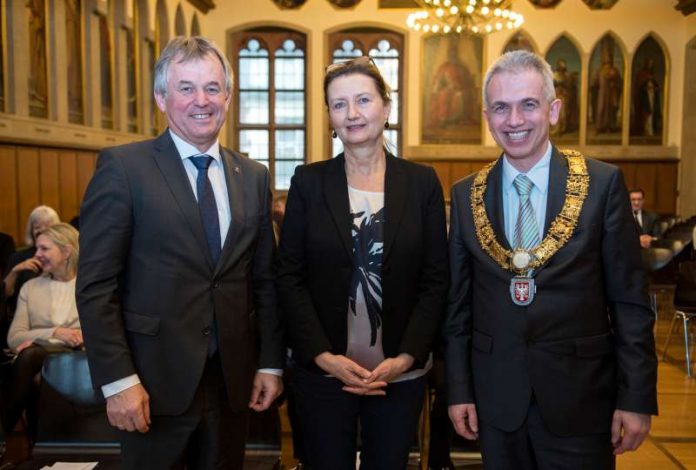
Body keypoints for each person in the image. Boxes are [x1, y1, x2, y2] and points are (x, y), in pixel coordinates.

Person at [76, 36, 284, 469]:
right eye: (186, 88)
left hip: (232, 386)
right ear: (161, 97)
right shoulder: (123, 168)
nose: (201, 100)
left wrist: (269, 363)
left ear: (228, 96)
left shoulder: (253, 176)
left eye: (212, 88)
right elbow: (97, 286)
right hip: (150, 385)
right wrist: (118, 381)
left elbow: (263, 280)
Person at [444, 50, 657, 469]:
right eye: (501, 108)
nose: (515, 120)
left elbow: (630, 303)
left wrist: (635, 398)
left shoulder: (602, 185)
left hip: (581, 401)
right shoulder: (467, 194)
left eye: (528, 104)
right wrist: (459, 389)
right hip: (497, 400)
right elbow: (457, 310)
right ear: (488, 117)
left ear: (553, 110)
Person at [277, 56, 448, 469]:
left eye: (363, 100)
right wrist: (322, 356)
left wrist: (406, 358)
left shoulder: (422, 182)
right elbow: (289, 277)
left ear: (386, 108)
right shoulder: (308, 182)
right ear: (330, 117)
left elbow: (436, 279)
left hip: (400, 374)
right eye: (339, 104)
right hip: (323, 373)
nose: (352, 113)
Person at [2, 223, 82, 441]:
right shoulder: (31, 287)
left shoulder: (88, 285)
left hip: (81, 357)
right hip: (39, 359)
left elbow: (90, 334)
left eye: (44, 249)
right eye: (37, 248)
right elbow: (15, 338)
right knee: (31, 359)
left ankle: (3, 437)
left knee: (30, 357)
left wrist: (38, 337)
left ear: (66, 251)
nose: (37, 255)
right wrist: (56, 332)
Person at [3, 205, 61, 312]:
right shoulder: (17, 257)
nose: (42, 231)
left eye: (48, 227)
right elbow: (4, 295)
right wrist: (15, 271)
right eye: (37, 227)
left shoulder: (64, 255)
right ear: (31, 231)